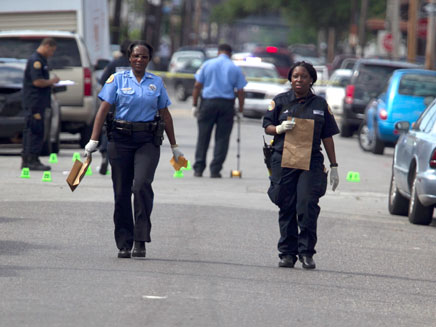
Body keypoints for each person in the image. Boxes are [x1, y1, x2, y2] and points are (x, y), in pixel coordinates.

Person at [84, 40, 184, 259]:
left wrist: (175, 146)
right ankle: (124, 242)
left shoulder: (155, 83)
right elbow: (103, 110)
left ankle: (140, 239)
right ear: (129, 58)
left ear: (149, 60)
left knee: (140, 186)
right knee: (121, 192)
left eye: (144, 57)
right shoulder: (117, 80)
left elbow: (165, 115)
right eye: (136, 56)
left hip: (147, 140)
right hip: (120, 140)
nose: (139, 60)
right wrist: (93, 141)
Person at [262, 61, 340, 270]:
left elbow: (328, 137)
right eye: (295, 76)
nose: (298, 80)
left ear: (311, 80)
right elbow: (267, 126)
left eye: (303, 76)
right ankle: (287, 253)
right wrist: (278, 128)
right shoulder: (280, 101)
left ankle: (306, 252)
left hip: (311, 160)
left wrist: (334, 166)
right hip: (283, 158)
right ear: (290, 79)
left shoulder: (320, 105)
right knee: (286, 204)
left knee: (306, 205)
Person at [191, 43, 247, 178]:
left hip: (208, 103)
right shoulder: (235, 68)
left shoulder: (207, 64)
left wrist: (194, 104)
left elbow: (197, 85)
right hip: (226, 105)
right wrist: (240, 110)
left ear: (218, 52)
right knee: (222, 138)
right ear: (230, 54)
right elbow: (240, 91)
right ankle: (215, 169)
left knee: (203, 136)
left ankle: (199, 168)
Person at [21, 37, 60, 170]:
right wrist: (52, 81)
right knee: (35, 130)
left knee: (33, 129)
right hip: (34, 102)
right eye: (52, 50)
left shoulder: (41, 60)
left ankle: (29, 159)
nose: (52, 54)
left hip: (37, 102)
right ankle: (31, 160)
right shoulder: (36, 61)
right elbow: (37, 82)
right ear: (46, 46)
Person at [97, 39, 131, 175]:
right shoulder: (137, 65)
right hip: (132, 103)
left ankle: (105, 154)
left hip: (114, 102)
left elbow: (103, 82)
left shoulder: (114, 64)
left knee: (109, 128)